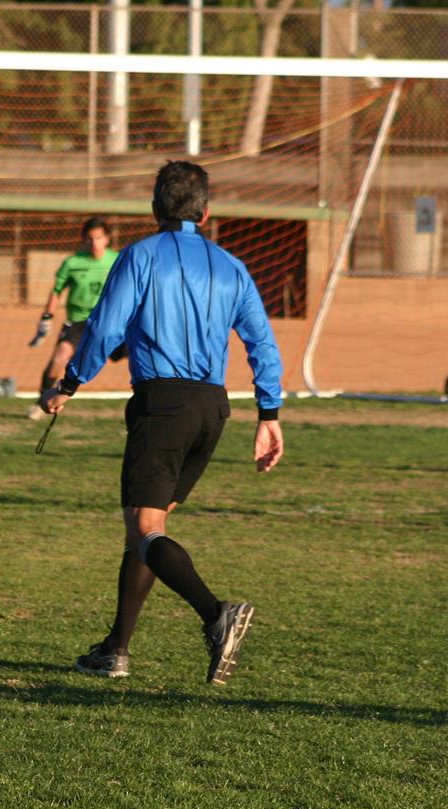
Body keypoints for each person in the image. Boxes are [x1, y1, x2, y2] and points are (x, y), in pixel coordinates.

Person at [40, 161, 284, 685]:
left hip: (163, 407)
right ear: (207, 211)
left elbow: (105, 327)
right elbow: (262, 342)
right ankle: (115, 649)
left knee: (147, 528)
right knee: (144, 530)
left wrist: (68, 383)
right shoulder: (231, 265)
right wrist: (270, 414)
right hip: (213, 411)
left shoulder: (140, 257)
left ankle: (216, 613)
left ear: (154, 210)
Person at [27, 217, 120, 419]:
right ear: (84, 240)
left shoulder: (117, 260)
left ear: (107, 239)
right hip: (79, 323)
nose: (95, 243)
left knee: (142, 353)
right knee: (59, 358)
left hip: (110, 321)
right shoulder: (73, 263)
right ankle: (43, 399)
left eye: (99, 238)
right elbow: (56, 290)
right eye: (90, 238)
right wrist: (46, 318)